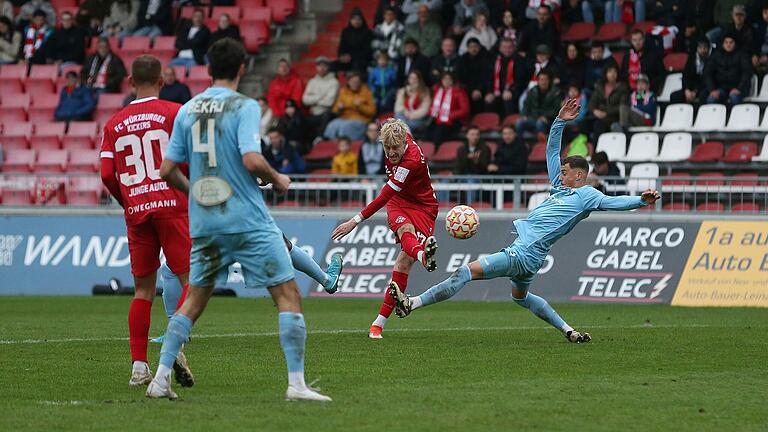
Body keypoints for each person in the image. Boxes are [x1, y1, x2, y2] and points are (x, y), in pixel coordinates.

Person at [149, 38, 335, 402]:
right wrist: (279, 178)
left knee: (194, 302)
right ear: (242, 69)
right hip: (248, 220)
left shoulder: (187, 110)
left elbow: (167, 169)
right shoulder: (244, 106)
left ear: (208, 69)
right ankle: (296, 384)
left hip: (206, 222)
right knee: (287, 294)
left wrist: (197, 194)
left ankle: (159, 379)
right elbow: (251, 159)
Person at [389, 98, 661, 343]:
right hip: (532, 257)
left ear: (578, 176)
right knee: (520, 297)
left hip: (523, 252)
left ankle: (411, 303)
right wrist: (558, 123)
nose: (560, 175)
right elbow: (552, 154)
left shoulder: (587, 195)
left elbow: (613, 202)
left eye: (565, 172)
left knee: (465, 272)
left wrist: (640, 200)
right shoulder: (561, 188)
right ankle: (569, 330)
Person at [99, 54, 194, 390]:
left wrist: (126, 198)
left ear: (129, 83)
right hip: (172, 204)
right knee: (189, 281)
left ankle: (139, 367)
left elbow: (107, 173)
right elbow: (189, 158)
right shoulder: (175, 112)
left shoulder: (114, 123)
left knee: (142, 290)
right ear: (162, 81)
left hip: (137, 209)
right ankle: (174, 347)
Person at [331, 118, 439, 340]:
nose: (390, 152)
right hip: (399, 203)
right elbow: (393, 124)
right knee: (404, 231)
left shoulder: (410, 162)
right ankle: (377, 325)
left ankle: (378, 323)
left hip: (424, 207)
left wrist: (354, 221)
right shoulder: (397, 136)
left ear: (404, 143)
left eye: (394, 148)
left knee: (403, 262)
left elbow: (383, 196)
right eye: (386, 147)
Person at [324, 71, 376, 140]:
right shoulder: (343, 91)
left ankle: (344, 145)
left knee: (345, 127)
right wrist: (339, 108)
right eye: (352, 81)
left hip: (361, 119)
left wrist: (360, 106)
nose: (355, 84)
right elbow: (335, 110)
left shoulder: (366, 92)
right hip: (345, 118)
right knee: (332, 125)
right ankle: (329, 144)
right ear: (348, 82)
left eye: (357, 82)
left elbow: (372, 111)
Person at [705, 34, 751, 105]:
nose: (728, 45)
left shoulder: (742, 55)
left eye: (731, 42)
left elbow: (746, 73)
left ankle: (736, 116)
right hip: (721, 88)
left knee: (734, 98)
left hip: (738, 88)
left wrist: (739, 88)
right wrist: (712, 90)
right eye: (726, 42)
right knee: (711, 99)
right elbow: (708, 73)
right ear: (723, 44)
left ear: (735, 44)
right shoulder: (716, 55)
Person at [484, 38, 525, 116]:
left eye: (509, 47)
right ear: (500, 48)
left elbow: (520, 81)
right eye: (504, 47)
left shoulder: (519, 60)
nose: (507, 50)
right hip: (497, 92)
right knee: (489, 101)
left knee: (508, 101)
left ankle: (508, 126)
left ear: (514, 48)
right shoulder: (495, 60)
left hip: (513, 92)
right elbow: (490, 78)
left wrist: (511, 91)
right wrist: (489, 92)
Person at [516, 70, 562, 138]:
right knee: (519, 123)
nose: (543, 82)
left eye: (545, 79)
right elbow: (526, 105)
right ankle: (521, 144)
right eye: (541, 79)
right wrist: (524, 115)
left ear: (549, 80)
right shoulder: (532, 91)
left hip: (549, 120)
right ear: (538, 81)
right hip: (533, 118)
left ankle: (541, 145)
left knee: (540, 123)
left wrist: (546, 116)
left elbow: (556, 109)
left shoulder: (556, 92)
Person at [430, 71, 470, 146]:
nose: (446, 81)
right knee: (428, 130)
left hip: (454, 121)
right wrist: (432, 111)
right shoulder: (438, 91)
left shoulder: (459, 92)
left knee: (440, 132)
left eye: (449, 79)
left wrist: (450, 115)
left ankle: (437, 152)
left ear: (453, 81)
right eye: (444, 79)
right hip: (438, 119)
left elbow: (465, 110)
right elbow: (432, 107)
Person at [302, 56, 339, 139]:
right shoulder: (312, 82)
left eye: (324, 66)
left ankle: (320, 138)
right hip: (313, 113)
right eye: (319, 66)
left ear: (328, 67)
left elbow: (329, 102)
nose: (322, 68)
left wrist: (313, 98)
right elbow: (305, 100)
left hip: (327, 113)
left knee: (326, 115)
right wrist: (322, 96)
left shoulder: (334, 82)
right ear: (316, 67)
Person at [587, 63, 628, 138]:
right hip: (598, 116)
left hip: (614, 117)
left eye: (615, 71)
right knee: (584, 124)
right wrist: (595, 111)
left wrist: (606, 112)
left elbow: (622, 107)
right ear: (605, 73)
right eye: (610, 71)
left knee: (598, 125)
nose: (612, 74)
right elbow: (591, 104)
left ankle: (597, 149)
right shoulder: (600, 86)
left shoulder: (622, 87)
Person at [456, 37, 491, 113]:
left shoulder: (486, 58)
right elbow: (460, 78)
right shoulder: (462, 60)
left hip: (482, 89)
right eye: (471, 47)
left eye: (475, 46)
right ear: (467, 48)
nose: (473, 49)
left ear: (479, 47)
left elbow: (487, 77)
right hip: (467, 89)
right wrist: (471, 91)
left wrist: (479, 89)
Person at [671, 38, 711, 104]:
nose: (703, 50)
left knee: (703, 96)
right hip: (690, 88)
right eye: (700, 48)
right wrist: (687, 90)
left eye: (705, 48)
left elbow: (707, 79)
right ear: (697, 48)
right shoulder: (691, 59)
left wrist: (695, 92)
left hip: (703, 88)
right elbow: (685, 76)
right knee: (674, 96)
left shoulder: (711, 60)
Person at [336, 8, 373, 75]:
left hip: (362, 60)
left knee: (356, 65)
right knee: (332, 66)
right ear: (350, 20)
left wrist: (351, 57)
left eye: (359, 19)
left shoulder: (368, 33)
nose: (356, 21)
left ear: (362, 20)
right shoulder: (346, 32)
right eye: (354, 19)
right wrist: (342, 56)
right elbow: (341, 47)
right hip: (347, 59)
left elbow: (367, 51)